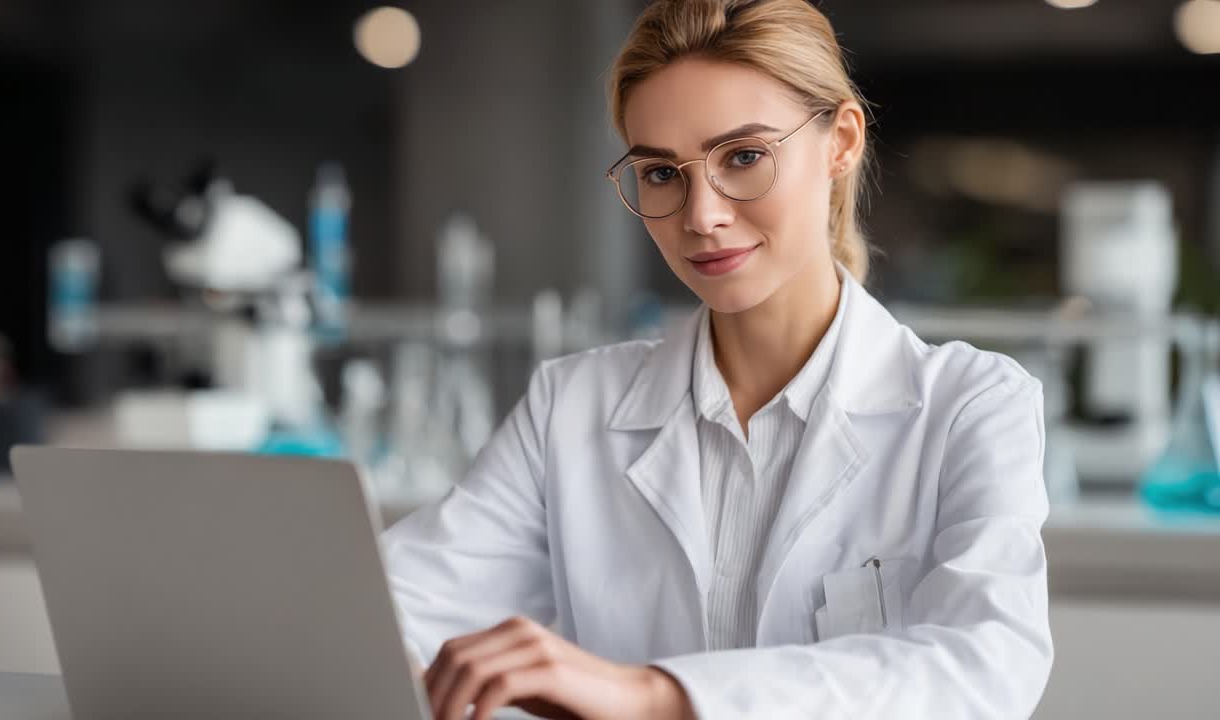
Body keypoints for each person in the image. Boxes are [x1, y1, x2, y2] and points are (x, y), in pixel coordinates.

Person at [381, 0, 1053, 718]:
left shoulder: (971, 404)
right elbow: (387, 614)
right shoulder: (571, 407)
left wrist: (651, 695)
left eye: (743, 157)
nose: (701, 215)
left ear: (842, 142)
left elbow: (982, 668)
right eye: (663, 173)